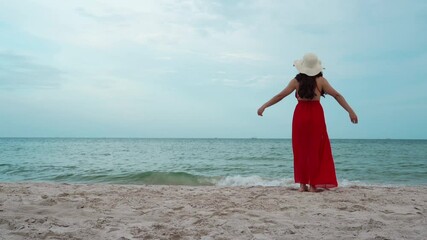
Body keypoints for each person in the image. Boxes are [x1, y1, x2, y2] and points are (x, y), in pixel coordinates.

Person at [257, 53, 358, 192]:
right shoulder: (321, 81)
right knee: (316, 149)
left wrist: (264, 106)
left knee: (300, 150)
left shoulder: (295, 81)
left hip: (300, 116)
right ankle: (313, 185)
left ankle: (302, 185)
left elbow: (280, 95)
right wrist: (350, 111)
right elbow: (337, 95)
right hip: (316, 116)